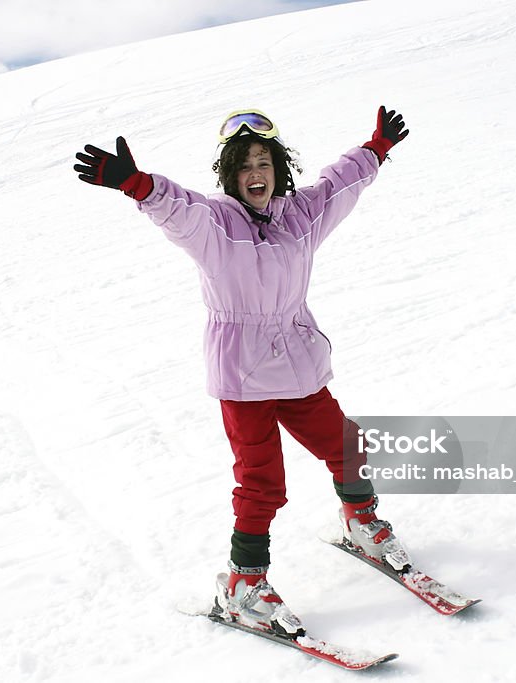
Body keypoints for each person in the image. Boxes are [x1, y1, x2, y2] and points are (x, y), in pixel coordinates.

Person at [75, 106, 411, 638]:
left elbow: (336, 187)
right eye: (244, 165)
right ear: (230, 176)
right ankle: (243, 586)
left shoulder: (299, 216)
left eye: (264, 162)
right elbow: (178, 210)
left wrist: (375, 150)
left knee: (348, 445)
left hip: (300, 365)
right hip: (245, 378)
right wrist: (138, 185)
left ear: (278, 168)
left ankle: (362, 523)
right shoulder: (215, 224)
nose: (256, 173)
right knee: (262, 484)